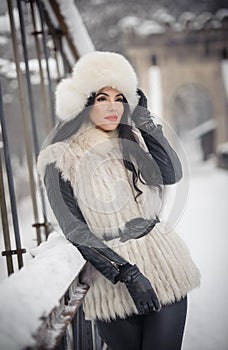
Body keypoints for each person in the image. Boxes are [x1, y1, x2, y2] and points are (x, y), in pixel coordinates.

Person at [37, 51, 201, 350]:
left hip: (164, 264)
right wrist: (127, 273)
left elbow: (171, 173)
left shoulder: (132, 140)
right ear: (84, 103)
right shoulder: (58, 158)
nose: (113, 106)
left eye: (119, 97)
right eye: (102, 98)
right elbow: (75, 229)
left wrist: (145, 122)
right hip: (112, 280)